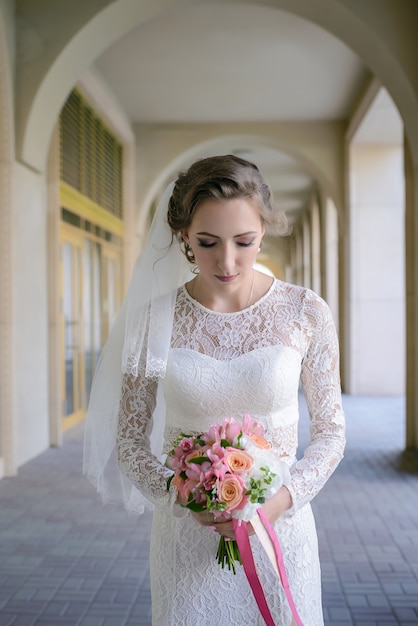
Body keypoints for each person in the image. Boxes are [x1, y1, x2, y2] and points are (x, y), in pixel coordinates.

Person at [84, 155, 346, 626]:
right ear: (184, 235)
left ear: (264, 229)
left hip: (280, 530)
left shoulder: (306, 312)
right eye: (208, 243)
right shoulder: (151, 322)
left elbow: (331, 434)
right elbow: (128, 442)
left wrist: (276, 502)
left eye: (244, 242)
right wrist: (182, 495)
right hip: (187, 536)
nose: (227, 261)